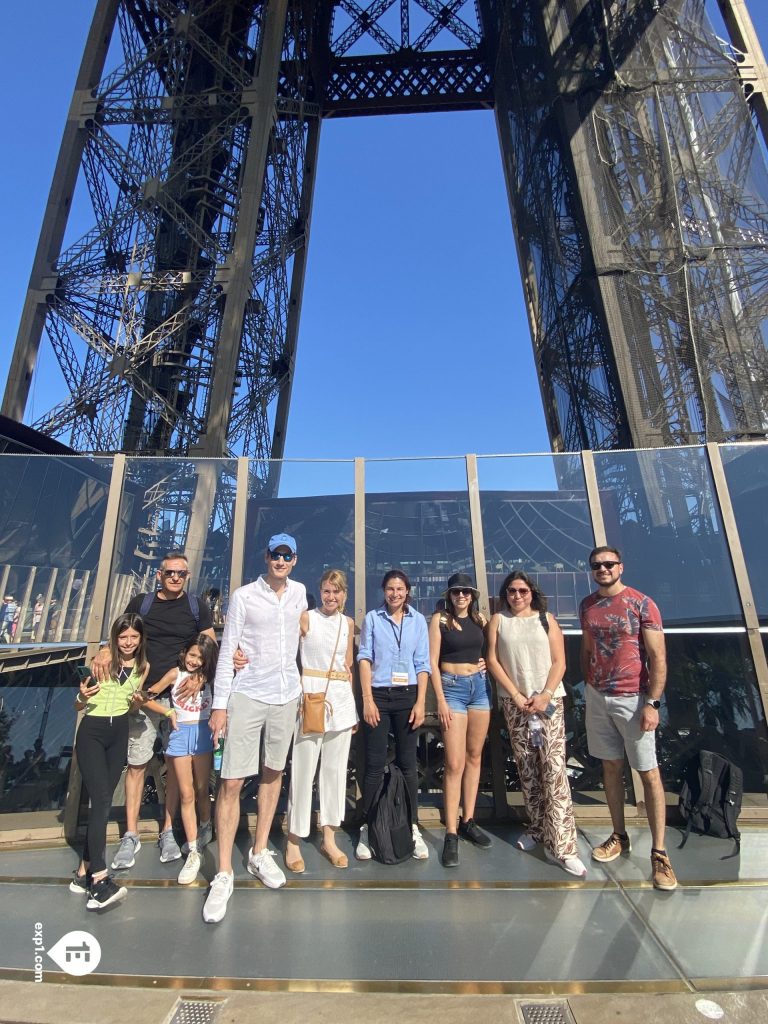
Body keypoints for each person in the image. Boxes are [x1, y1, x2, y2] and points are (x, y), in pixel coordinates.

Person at [203, 533, 307, 923]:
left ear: (294, 560)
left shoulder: (299, 594)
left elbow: (307, 635)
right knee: (230, 780)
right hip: (247, 694)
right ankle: (223, 871)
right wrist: (220, 706)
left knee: (273, 772)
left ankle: (259, 851)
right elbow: (229, 647)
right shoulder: (244, 596)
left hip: (286, 695)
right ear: (266, 557)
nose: (281, 561)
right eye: (275, 555)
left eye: (287, 555)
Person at [90, 551, 214, 870]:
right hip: (141, 696)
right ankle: (130, 834)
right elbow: (122, 632)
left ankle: (168, 831)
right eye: (170, 573)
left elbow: (209, 644)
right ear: (160, 575)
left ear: (188, 576)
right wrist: (105, 650)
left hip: (177, 699)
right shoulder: (142, 603)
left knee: (174, 767)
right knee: (137, 764)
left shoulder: (196, 606)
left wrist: (201, 676)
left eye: (181, 574)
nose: (175, 577)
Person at [579, 545, 676, 891]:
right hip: (598, 697)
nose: (602, 569)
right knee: (610, 767)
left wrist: (653, 703)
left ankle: (660, 854)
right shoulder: (588, 605)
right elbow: (588, 647)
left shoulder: (642, 603)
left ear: (621, 566)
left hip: (633, 698)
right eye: (596, 565)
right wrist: (588, 681)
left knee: (648, 773)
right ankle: (618, 835)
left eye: (608, 564)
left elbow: (658, 657)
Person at [487, 571, 587, 878]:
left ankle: (564, 847)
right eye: (512, 591)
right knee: (527, 769)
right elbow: (492, 660)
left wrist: (544, 695)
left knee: (555, 770)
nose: (517, 596)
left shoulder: (547, 619)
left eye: (522, 591)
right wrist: (515, 695)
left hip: (548, 704)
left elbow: (560, 661)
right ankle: (537, 829)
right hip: (515, 704)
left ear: (532, 593)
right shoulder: (498, 621)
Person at [70, 613, 155, 909]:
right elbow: (79, 703)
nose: (129, 643)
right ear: (114, 638)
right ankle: (99, 880)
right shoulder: (102, 661)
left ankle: (82, 872)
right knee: (102, 798)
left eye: (134, 637)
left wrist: (136, 702)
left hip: (119, 731)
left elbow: (132, 706)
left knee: (103, 802)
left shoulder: (143, 667)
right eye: (123, 637)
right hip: (92, 730)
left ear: (141, 639)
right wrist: (82, 696)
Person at [284, 569, 357, 871]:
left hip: (340, 699)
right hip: (311, 698)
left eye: (336, 591)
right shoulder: (306, 618)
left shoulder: (348, 623)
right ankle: (293, 839)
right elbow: (285, 653)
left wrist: (351, 708)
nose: (331, 597)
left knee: (335, 772)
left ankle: (329, 836)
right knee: (302, 771)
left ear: (344, 594)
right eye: (326, 590)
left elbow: (348, 665)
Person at [356, 569, 430, 861]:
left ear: (407, 591)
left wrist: (421, 702)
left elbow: (422, 663)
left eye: (400, 589)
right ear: (383, 591)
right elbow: (365, 658)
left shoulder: (418, 622)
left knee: (408, 765)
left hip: (408, 696)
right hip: (379, 695)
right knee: (374, 765)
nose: (395, 594)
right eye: (390, 589)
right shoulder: (373, 619)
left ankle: (410, 826)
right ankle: (369, 826)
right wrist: (367, 700)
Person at [143, 633, 218, 885]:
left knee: (201, 788)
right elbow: (144, 695)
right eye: (192, 654)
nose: (195, 661)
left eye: (201, 657)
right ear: (184, 653)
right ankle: (194, 849)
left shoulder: (209, 677)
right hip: (179, 736)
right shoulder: (174, 675)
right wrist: (167, 711)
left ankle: (206, 826)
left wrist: (204, 674)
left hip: (203, 734)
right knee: (187, 794)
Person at [428, 572, 492, 867]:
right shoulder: (440, 620)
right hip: (451, 688)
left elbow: (490, 653)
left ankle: (469, 819)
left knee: (474, 757)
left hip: (478, 689)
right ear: (449, 595)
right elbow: (432, 661)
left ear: (473, 595)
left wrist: (485, 664)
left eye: (466, 591)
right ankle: (451, 831)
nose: (462, 596)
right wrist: (439, 699)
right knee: (454, 763)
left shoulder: (480, 621)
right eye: (456, 592)